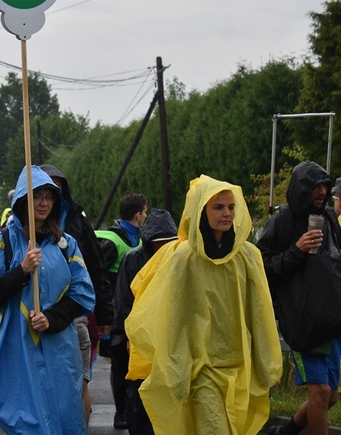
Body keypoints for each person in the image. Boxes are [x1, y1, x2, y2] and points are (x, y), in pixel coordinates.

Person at [126, 175, 282, 434]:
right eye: (218, 207)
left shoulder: (248, 256)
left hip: (241, 367)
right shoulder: (184, 259)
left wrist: (266, 362)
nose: (227, 213)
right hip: (203, 368)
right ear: (202, 210)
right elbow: (173, 314)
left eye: (231, 207)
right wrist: (175, 367)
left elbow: (260, 311)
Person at [0, 165, 96, 434]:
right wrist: (21, 271)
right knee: (22, 421)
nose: (44, 203)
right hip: (13, 349)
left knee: (62, 414)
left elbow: (82, 295)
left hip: (58, 349)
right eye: (37, 196)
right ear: (22, 199)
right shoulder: (1, 241)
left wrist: (52, 319)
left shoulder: (66, 245)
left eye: (50, 196)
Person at [257, 161, 341, 435]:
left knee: (331, 396)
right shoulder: (283, 220)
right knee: (320, 392)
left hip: (331, 320)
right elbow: (262, 266)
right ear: (301, 189)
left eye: (324, 187)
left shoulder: (328, 217)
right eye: (315, 187)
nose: (321, 192)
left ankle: (287, 432)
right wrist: (297, 248)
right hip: (302, 322)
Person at [39, 163, 111, 427]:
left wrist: (105, 313)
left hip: (75, 316)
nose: (50, 196)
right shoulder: (20, 228)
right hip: (35, 318)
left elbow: (96, 265)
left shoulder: (76, 221)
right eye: (45, 188)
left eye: (57, 187)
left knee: (78, 384)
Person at [109, 208, 178, 435]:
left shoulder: (179, 259)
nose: (164, 247)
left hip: (170, 338)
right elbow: (124, 301)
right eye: (159, 242)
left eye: (169, 241)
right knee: (138, 395)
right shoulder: (133, 259)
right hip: (139, 339)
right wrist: (126, 336)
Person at [96, 191, 147, 428]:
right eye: (145, 211)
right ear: (138, 215)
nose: (146, 215)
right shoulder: (113, 241)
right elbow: (99, 277)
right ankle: (120, 413)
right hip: (116, 315)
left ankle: (129, 411)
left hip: (133, 312)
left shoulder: (136, 238)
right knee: (118, 363)